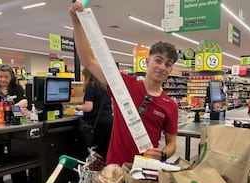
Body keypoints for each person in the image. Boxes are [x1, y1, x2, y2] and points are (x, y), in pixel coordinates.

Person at [70, 2, 178, 166]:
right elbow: (89, 61)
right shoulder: (123, 84)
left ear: (170, 69)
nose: (162, 67)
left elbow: (172, 144)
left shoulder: (170, 105)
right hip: (116, 168)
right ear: (147, 62)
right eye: (158, 60)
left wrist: (163, 154)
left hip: (146, 171)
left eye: (168, 64)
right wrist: (77, 22)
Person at [75, 69, 113, 159]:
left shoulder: (91, 86)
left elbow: (88, 107)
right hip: (109, 122)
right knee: (106, 153)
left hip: (96, 125)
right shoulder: (105, 86)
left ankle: (96, 172)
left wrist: (78, 107)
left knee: (96, 155)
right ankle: (106, 171)